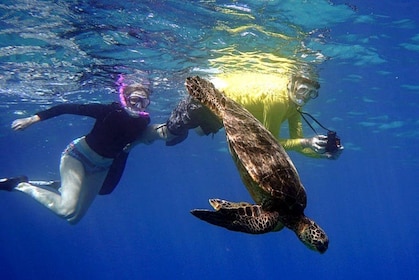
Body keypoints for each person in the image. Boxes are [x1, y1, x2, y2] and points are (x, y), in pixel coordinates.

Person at [0, 82, 170, 224]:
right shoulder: (109, 111)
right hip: (77, 157)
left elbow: (131, 143)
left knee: (74, 220)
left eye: (144, 102)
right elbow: (67, 108)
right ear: (125, 98)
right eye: (134, 100)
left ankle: (59, 185)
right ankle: (19, 185)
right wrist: (31, 120)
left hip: (101, 168)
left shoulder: (143, 121)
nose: (138, 105)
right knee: (67, 210)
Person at [166, 72, 344, 159]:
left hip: (225, 114)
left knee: (198, 131)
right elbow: (270, 144)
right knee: (169, 133)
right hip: (208, 102)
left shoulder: (294, 107)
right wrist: (307, 142)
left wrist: (321, 153)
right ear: (290, 85)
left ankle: (183, 131)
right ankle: (148, 133)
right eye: (303, 90)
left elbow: (296, 143)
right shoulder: (278, 101)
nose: (304, 97)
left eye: (311, 94)